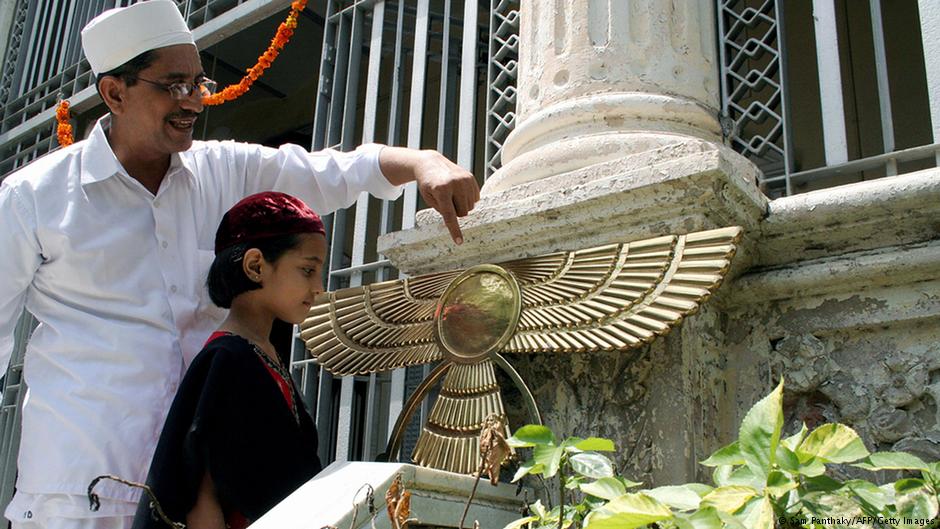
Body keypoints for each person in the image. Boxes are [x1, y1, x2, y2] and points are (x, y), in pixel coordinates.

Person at [0, 1, 478, 528]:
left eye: (198, 83)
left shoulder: (220, 168)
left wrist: (422, 163)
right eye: (174, 85)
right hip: (78, 494)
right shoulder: (33, 198)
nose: (193, 102)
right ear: (115, 92)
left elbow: (328, 173)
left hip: (198, 491)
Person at [134, 192, 329, 529]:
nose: (319, 288)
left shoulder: (261, 353)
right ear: (256, 266)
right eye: (307, 270)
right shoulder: (228, 358)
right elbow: (201, 499)